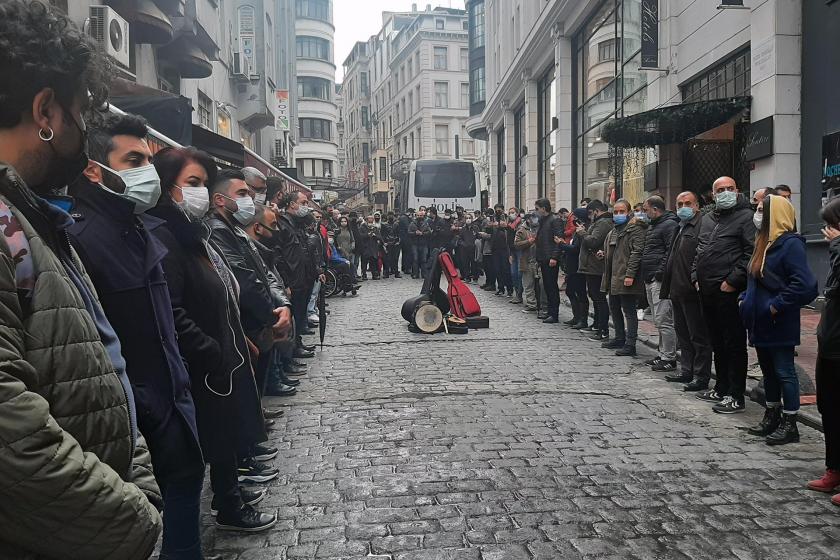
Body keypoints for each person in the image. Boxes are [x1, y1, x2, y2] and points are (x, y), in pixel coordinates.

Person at [0, 3, 161, 556]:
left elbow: (102, 357)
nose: (84, 132)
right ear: (45, 109)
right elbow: (13, 434)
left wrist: (137, 474)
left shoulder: (35, 219)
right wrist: (133, 515)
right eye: (80, 113)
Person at [69, 113, 206, 559]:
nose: (146, 168)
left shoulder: (143, 229)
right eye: (132, 160)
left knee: (185, 527)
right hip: (139, 426)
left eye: (148, 158)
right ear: (95, 169)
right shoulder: (82, 238)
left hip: (173, 410)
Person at [149, 147, 277, 532]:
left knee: (226, 433)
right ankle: (229, 503)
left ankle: (230, 495)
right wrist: (215, 352)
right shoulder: (166, 236)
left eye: (203, 184)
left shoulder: (194, 232)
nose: (199, 193)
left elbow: (224, 288)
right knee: (212, 443)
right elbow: (172, 309)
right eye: (192, 184)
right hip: (203, 364)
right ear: (167, 185)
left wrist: (236, 338)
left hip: (223, 351)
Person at [740, 195, 817, 444]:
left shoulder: (790, 244)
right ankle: (771, 414)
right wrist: (744, 299)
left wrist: (775, 306)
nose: (757, 213)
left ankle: (790, 422)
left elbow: (804, 285)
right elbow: (753, 277)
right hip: (759, 321)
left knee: (784, 372)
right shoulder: (762, 241)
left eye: (762, 210)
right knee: (768, 371)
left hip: (778, 321)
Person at [693, 176, 755, 413]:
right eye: (721, 190)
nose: (725, 192)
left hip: (729, 291)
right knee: (716, 341)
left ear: (737, 190)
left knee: (733, 343)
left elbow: (750, 253)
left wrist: (732, 280)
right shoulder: (708, 218)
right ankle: (721, 387)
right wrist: (695, 276)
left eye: (730, 188)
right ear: (713, 194)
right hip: (707, 290)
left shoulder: (746, 217)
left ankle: (736, 395)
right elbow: (700, 250)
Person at [662, 192, 713, 392]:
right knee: (682, 333)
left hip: (691, 290)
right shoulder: (679, 227)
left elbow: (701, 255)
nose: (683, 207)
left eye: (687, 203)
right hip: (676, 289)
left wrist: (694, 279)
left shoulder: (701, 225)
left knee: (698, 336)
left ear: (697, 206)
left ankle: (701, 376)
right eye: (680, 203)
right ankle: (687, 370)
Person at [809, 198, 840, 504]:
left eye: (833, 224)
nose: (828, 231)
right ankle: (834, 470)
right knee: (829, 409)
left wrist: (838, 245)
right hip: (830, 342)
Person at [600, 199, 646, 356]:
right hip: (613, 276)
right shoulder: (614, 230)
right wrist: (603, 254)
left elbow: (636, 253)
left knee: (629, 310)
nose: (618, 214)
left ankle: (630, 343)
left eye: (622, 212)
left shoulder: (635, 229)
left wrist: (630, 275)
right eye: (616, 212)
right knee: (614, 307)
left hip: (625, 276)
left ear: (628, 212)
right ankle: (619, 337)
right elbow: (615, 251)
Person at [276, 191, 321, 348]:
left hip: (303, 278)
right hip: (293, 280)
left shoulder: (297, 224)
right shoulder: (283, 224)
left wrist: (315, 272)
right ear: (292, 204)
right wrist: (285, 282)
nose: (306, 206)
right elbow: (279, 256)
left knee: (300, 313)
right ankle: (292, 350)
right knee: (294, 315)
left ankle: (298, 344)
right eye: (303, 203)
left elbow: (306, 252)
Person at [640, 195, 680, 371]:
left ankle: (669, 358)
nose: (644, 213)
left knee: (664, 319)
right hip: (650, 277)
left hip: (660, 279)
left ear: (655, 209)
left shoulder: (669, 225)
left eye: (646, 209)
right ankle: (662, 354)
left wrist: (660, 273)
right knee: (658, 319)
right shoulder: (653, 226)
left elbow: (670, 251)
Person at [579, 200, 613, 340]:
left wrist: (583, 233)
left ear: (596, 211)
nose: (589, 216)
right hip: (591, 266)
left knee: (599, 298)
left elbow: (593, 241)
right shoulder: (599, 222)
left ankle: (603, 329)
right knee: (595, 297)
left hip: (596, 266)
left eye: (590, 213)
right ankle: (597, 325)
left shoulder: (603, 223)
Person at [558, 208, 590, 327]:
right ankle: (576, 317)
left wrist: (561, 244)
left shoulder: (583, 232)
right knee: (570, 291)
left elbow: (576, 248)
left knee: (580, 293)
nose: (574, 220)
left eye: (576, 217)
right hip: (572, 266)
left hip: (578, 266)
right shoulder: (577, 232)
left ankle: (583, 319)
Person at [534, 198, 564, 323]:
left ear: (543, 208)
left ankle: (554, 313)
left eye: (537, 209)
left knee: (552, 287)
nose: (536, 212)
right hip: (543, 257)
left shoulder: (555, 220)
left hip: (550, 258)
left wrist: (554, 257)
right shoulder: (543, 221)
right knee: (547, 286)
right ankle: (550, 312)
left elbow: (559, 240)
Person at [492, 213, 513, 297]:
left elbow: (510, 238)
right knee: (498, 270)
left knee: (506, 270)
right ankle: (501, 288)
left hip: (505, 250)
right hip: (496, 250)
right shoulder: (495, 228)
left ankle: (509, 289)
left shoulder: (507, 229)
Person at [409, 207, 431, 278]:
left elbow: (429, 232)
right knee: (415, 259)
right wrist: (415, 233)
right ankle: (415, 274)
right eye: (418, 215)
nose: (419, 217)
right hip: (414, 243)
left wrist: (423, 233)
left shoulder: (426, 223)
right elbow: (409, 232)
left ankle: (424, 274)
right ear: (416, 216)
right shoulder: (412, 223)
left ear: (423, 216)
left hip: (424, 243)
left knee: (424, 259)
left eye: (421, 215)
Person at [359, 214, 383, 279]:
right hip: (365, 247)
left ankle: (374, 274)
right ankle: (364, 274)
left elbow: (380, 237)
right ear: (366, 220)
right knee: (364, 262)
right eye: (369, 219)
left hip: (373, 247)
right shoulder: (362, 227)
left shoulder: (375, 228)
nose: (371, 221)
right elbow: (360, 236)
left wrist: (375, 236)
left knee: (373, 262)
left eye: (372, 220)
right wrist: (367, 235)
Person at [382, 211, 402, 278]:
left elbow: (399, 234)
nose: (390, 217)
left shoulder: (397, 224)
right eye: (389, 215)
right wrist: (384, 242)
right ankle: (386, 272)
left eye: (391, 215)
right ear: (387, 216)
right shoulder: (384, 225)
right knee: (387, 259)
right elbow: (383, 235)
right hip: (388, 243)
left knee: (395, 259)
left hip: (395, 243)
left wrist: (398, 241)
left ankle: (396, 272)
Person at [399, 208, 413, 273]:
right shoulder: (405, 218)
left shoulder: (403, 217)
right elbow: (408, 227)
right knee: (407, 254)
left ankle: (404, 267)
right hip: (406, 238)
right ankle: (407, 268)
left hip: (404, 238)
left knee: (405, 254)